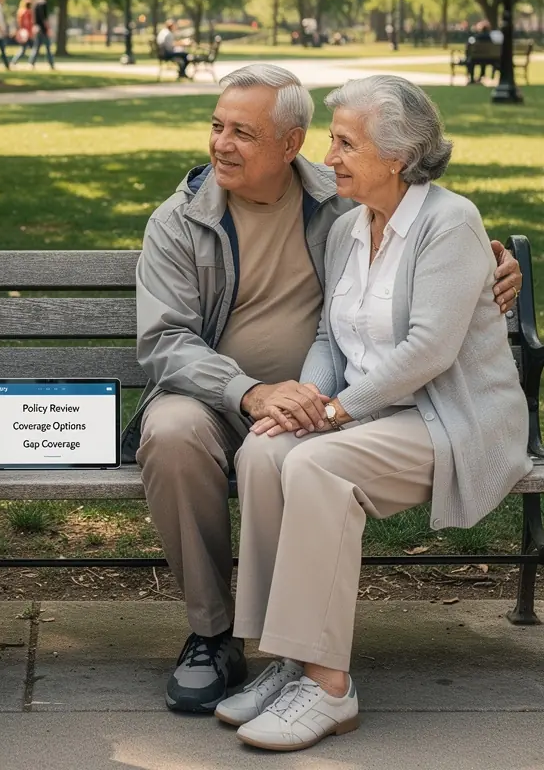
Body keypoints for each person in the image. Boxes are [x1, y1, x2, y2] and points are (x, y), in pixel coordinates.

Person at [126, 63, 522, 718]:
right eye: (217, 127)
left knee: (288, 458)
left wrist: (494, 262)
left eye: (243, 133)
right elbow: (166, 342)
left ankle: (303, 664)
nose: (221, 144)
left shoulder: (337, 201)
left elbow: (427, 233)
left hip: (342, 405)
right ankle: (218, 635)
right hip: (219, 396)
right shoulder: (181, 221)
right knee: (175, 433)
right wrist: (254, 393)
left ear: (290, 144)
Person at [224, 74, 530, 752]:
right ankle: (290, 658)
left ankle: (329, 687)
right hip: (368, 416)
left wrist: (333, 412)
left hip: (451, 418)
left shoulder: (450, 223)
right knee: (265, 450)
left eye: (345, 143)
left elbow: (430, 351)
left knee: (317, 466)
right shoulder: (347, 228)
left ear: (397, 156)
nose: (328, 156)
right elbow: (330, 339)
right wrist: (305, 403)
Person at [29, 0, 55, 70]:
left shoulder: (36, 2)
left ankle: (32, 63)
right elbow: (44, 17)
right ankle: (51, 64)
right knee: (47, 46)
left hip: (37, 28)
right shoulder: (42, 2)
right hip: (42, 29)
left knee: (37, 46)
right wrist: (48, 28)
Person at [12, 0, 35, 64]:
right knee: (32, 48)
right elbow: (28, 23)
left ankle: (14, 61)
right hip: (27, 33)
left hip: (23, 33)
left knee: (24, 49)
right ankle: (31, 62)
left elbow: (20, 23)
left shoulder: (21, 12)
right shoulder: (28, 12)